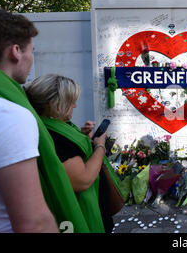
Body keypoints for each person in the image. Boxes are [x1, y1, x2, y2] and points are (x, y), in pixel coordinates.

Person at [24, 74, 122, 233]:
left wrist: (84, 139)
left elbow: (73, 155)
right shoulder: (54, 136)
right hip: (84, 215)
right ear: (55, 105)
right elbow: (82, 180)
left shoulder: (53, 126)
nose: (75, 105)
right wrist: (100, 147)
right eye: (71, 101)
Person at [0, 8, 59, 232]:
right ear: (16, 51)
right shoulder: (7, 115)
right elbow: (34, 223)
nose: (32, 58)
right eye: (33, 51)